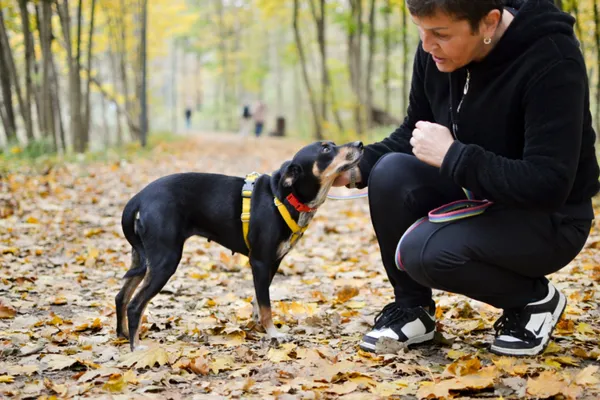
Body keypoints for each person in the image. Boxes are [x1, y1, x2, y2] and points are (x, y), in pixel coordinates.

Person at [333, 0, 599, 357]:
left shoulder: (551, 59)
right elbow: (416, 132)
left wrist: (454, 155)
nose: (427, 46)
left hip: (550, 219)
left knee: (423, 252)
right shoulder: (437, 50)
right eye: (421, 31)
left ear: (488, 23)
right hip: (479, 195)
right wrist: (353, 169)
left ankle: (534, 301)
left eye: (440, 34)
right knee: (390, 171)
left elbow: (549, 183)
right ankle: (413, 312)